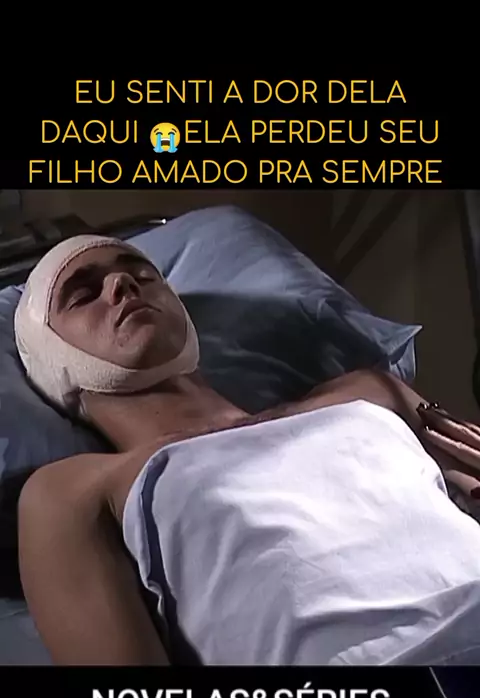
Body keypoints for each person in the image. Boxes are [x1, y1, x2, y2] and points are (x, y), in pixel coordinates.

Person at [14, 235, 480, 666]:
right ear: (47, 354)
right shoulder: (73, 493)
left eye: (142, 275)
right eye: (82, 294)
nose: (122, 283)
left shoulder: (369, 392)